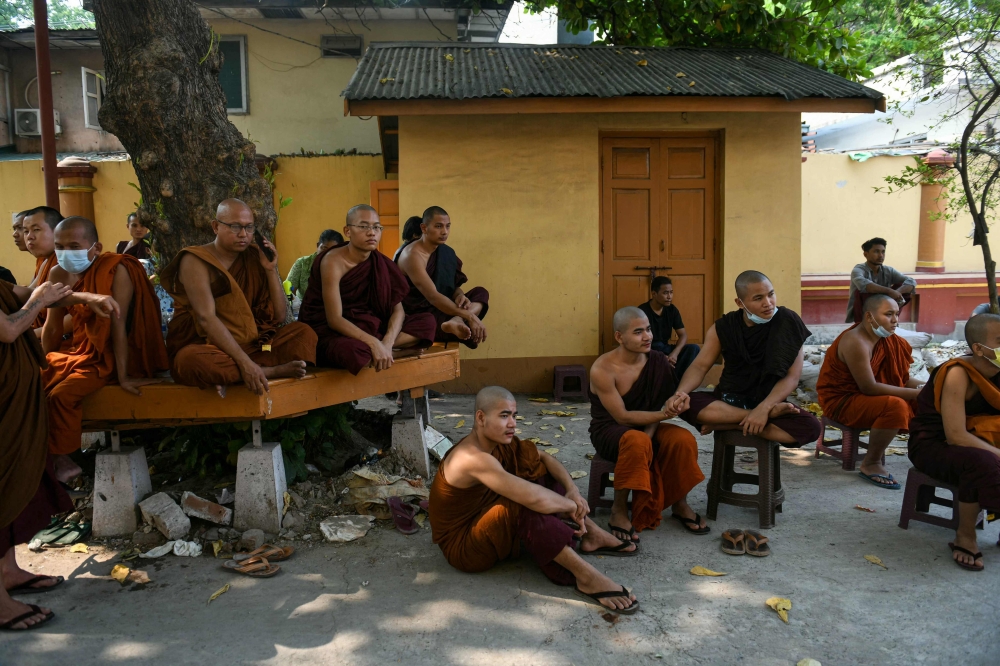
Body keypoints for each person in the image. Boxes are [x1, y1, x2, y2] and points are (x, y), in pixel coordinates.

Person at [430, 386, 640, 613]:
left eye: (514, 415)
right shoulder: (472, 458)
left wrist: (573, 491)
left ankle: (591, 534)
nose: (512, 423)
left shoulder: (498, 444)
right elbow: (532, 499)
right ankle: (586, 577)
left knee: (536, 469)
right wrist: (572, 506)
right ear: (480, 417)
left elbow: (545, 458)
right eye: (504, 416)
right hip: (465, 546)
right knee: (522, 504)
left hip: (485, 519)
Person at [1, 272, 118, 630]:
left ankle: (7, 571)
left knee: (13, 482)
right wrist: (37, 300)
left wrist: (86, 298)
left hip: (11, 402)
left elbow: (28, 293)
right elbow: (7, 329)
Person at [41, 216, 169, 483]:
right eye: (59, 246)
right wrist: (42, 363)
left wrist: (123, 376)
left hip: (110, 355)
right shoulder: (57, 272)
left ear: (96, 248)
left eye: (74, 245)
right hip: (78, 352)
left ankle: (62, 458)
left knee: (61, 395)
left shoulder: (117, 269)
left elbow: (117, 326)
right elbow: (52, 329)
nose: (65, 253)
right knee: (29, 384)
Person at [161, 199, 317, 395]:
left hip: (255, 346)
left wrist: (270, 270)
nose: (244, 234)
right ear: (215, 227)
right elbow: (206, 318)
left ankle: (233, 374)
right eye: (235, 227)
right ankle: (268, 371)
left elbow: (278, 316)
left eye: (249, 227)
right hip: (211, 346)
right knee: (190, 360)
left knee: (303, 333)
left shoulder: (254, 257)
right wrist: (245, 364)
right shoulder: (195, 261)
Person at [589, 306, 706, 540]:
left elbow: (657, 404)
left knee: (682, 439)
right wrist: (661, 418)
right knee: (636, 440)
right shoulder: (602, 369)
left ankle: (679, 503)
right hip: (610, 431)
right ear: (619, 337)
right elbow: (622, 417)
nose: (648, 337)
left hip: (648, 427)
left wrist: (651, 435)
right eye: (638, 332)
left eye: (649, 330)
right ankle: (619, 510)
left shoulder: (657, 361)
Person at [671, 270, 822, 446]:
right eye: (758, 298)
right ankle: (753, 418)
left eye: (771, 294)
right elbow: (700, 367)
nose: (768, 303)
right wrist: (679, 395)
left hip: (770, 399)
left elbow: (792, 377)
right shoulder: (724, 327)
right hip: (728, 401)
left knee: (811, 428)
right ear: (740, 303)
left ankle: (728, 424)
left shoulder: (788, 322)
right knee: (685, 404)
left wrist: (764, 407)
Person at [908, 313, 1000, 571]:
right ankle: (966, 535)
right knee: (982, 462)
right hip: (933, 445)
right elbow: (956, 436)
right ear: (979, 349)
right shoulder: (958, 373)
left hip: (982, 436)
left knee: (987, 457)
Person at [298, 205, 435, 375]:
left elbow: (398, 310)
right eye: (364, 227)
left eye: (377, 227)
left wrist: (386, 343)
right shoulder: (332, 262)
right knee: (351, 352)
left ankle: (384, 352)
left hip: (370, 326)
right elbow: (334, 319)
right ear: (347, 231)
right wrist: (374, 343)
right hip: (333, 332)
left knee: (428, 322)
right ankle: (393, 354)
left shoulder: (381, 263)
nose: (372, 233)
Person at [816, 294, 922, 488]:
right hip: (842, 401)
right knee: (895, 406)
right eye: (888, 314)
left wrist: (927, 387)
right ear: (869, 317)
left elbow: (902, 380)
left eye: (897, 314)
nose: (895, 320)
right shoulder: (856, 341)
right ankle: (871, 463)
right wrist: (916, 393)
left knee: (931, 400)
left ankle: (928, 455)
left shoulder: (890, 341)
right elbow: (869, 387)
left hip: (866, 397)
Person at [397, 206, 489, 348]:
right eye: (438, 226)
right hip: (419, 316)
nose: (445, 232)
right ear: (424, 228)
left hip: (445, 312)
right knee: (428, 323)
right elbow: (433, 296)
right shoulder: (412, 256)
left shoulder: (446, 253)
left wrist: (460, 296)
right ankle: (456, 321)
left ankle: (456, 320)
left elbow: (453, 287)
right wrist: (470, 316)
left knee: (481, 292)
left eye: (447, 226)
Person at [638, 276, 700, 380]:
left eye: (671, 292)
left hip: (666, 349)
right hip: (648, 350)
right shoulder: (642, 311)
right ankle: (671, 381)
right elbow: (638, 340)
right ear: (654, 294)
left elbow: (683, 335)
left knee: (694, 349)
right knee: (657, 346)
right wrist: (660, 357)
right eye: (665, 293)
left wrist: (674, 354)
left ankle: (675, 382)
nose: (669, 296)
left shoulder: (672, 310)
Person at [847, 237, 916, 323]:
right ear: (865, 254)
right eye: (876, 252)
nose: (881, 255)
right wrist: (889, 291)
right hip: (862, 314)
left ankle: (891, 319)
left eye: (883, 252)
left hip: (883, 309)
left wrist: (897, 292)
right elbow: (864, 286)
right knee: (862, 291)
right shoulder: (858, 270)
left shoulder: (888, 270)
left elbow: (911, 281)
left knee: (902, 284)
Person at [21, 206, 63, 329]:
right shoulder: (44, 260)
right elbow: (30, 293)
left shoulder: (66, 261)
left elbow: (75, 314)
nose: (29, 236)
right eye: (26, 231)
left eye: (36, 229)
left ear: (57, 231)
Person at [286, 229, 343, 296]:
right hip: (303, 305)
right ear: (318, 245)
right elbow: (288, 290)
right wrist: (293, 302)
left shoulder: (343, 267)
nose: (327, 254)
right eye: (324, 248)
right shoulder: (302, 263)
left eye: (332, 250)